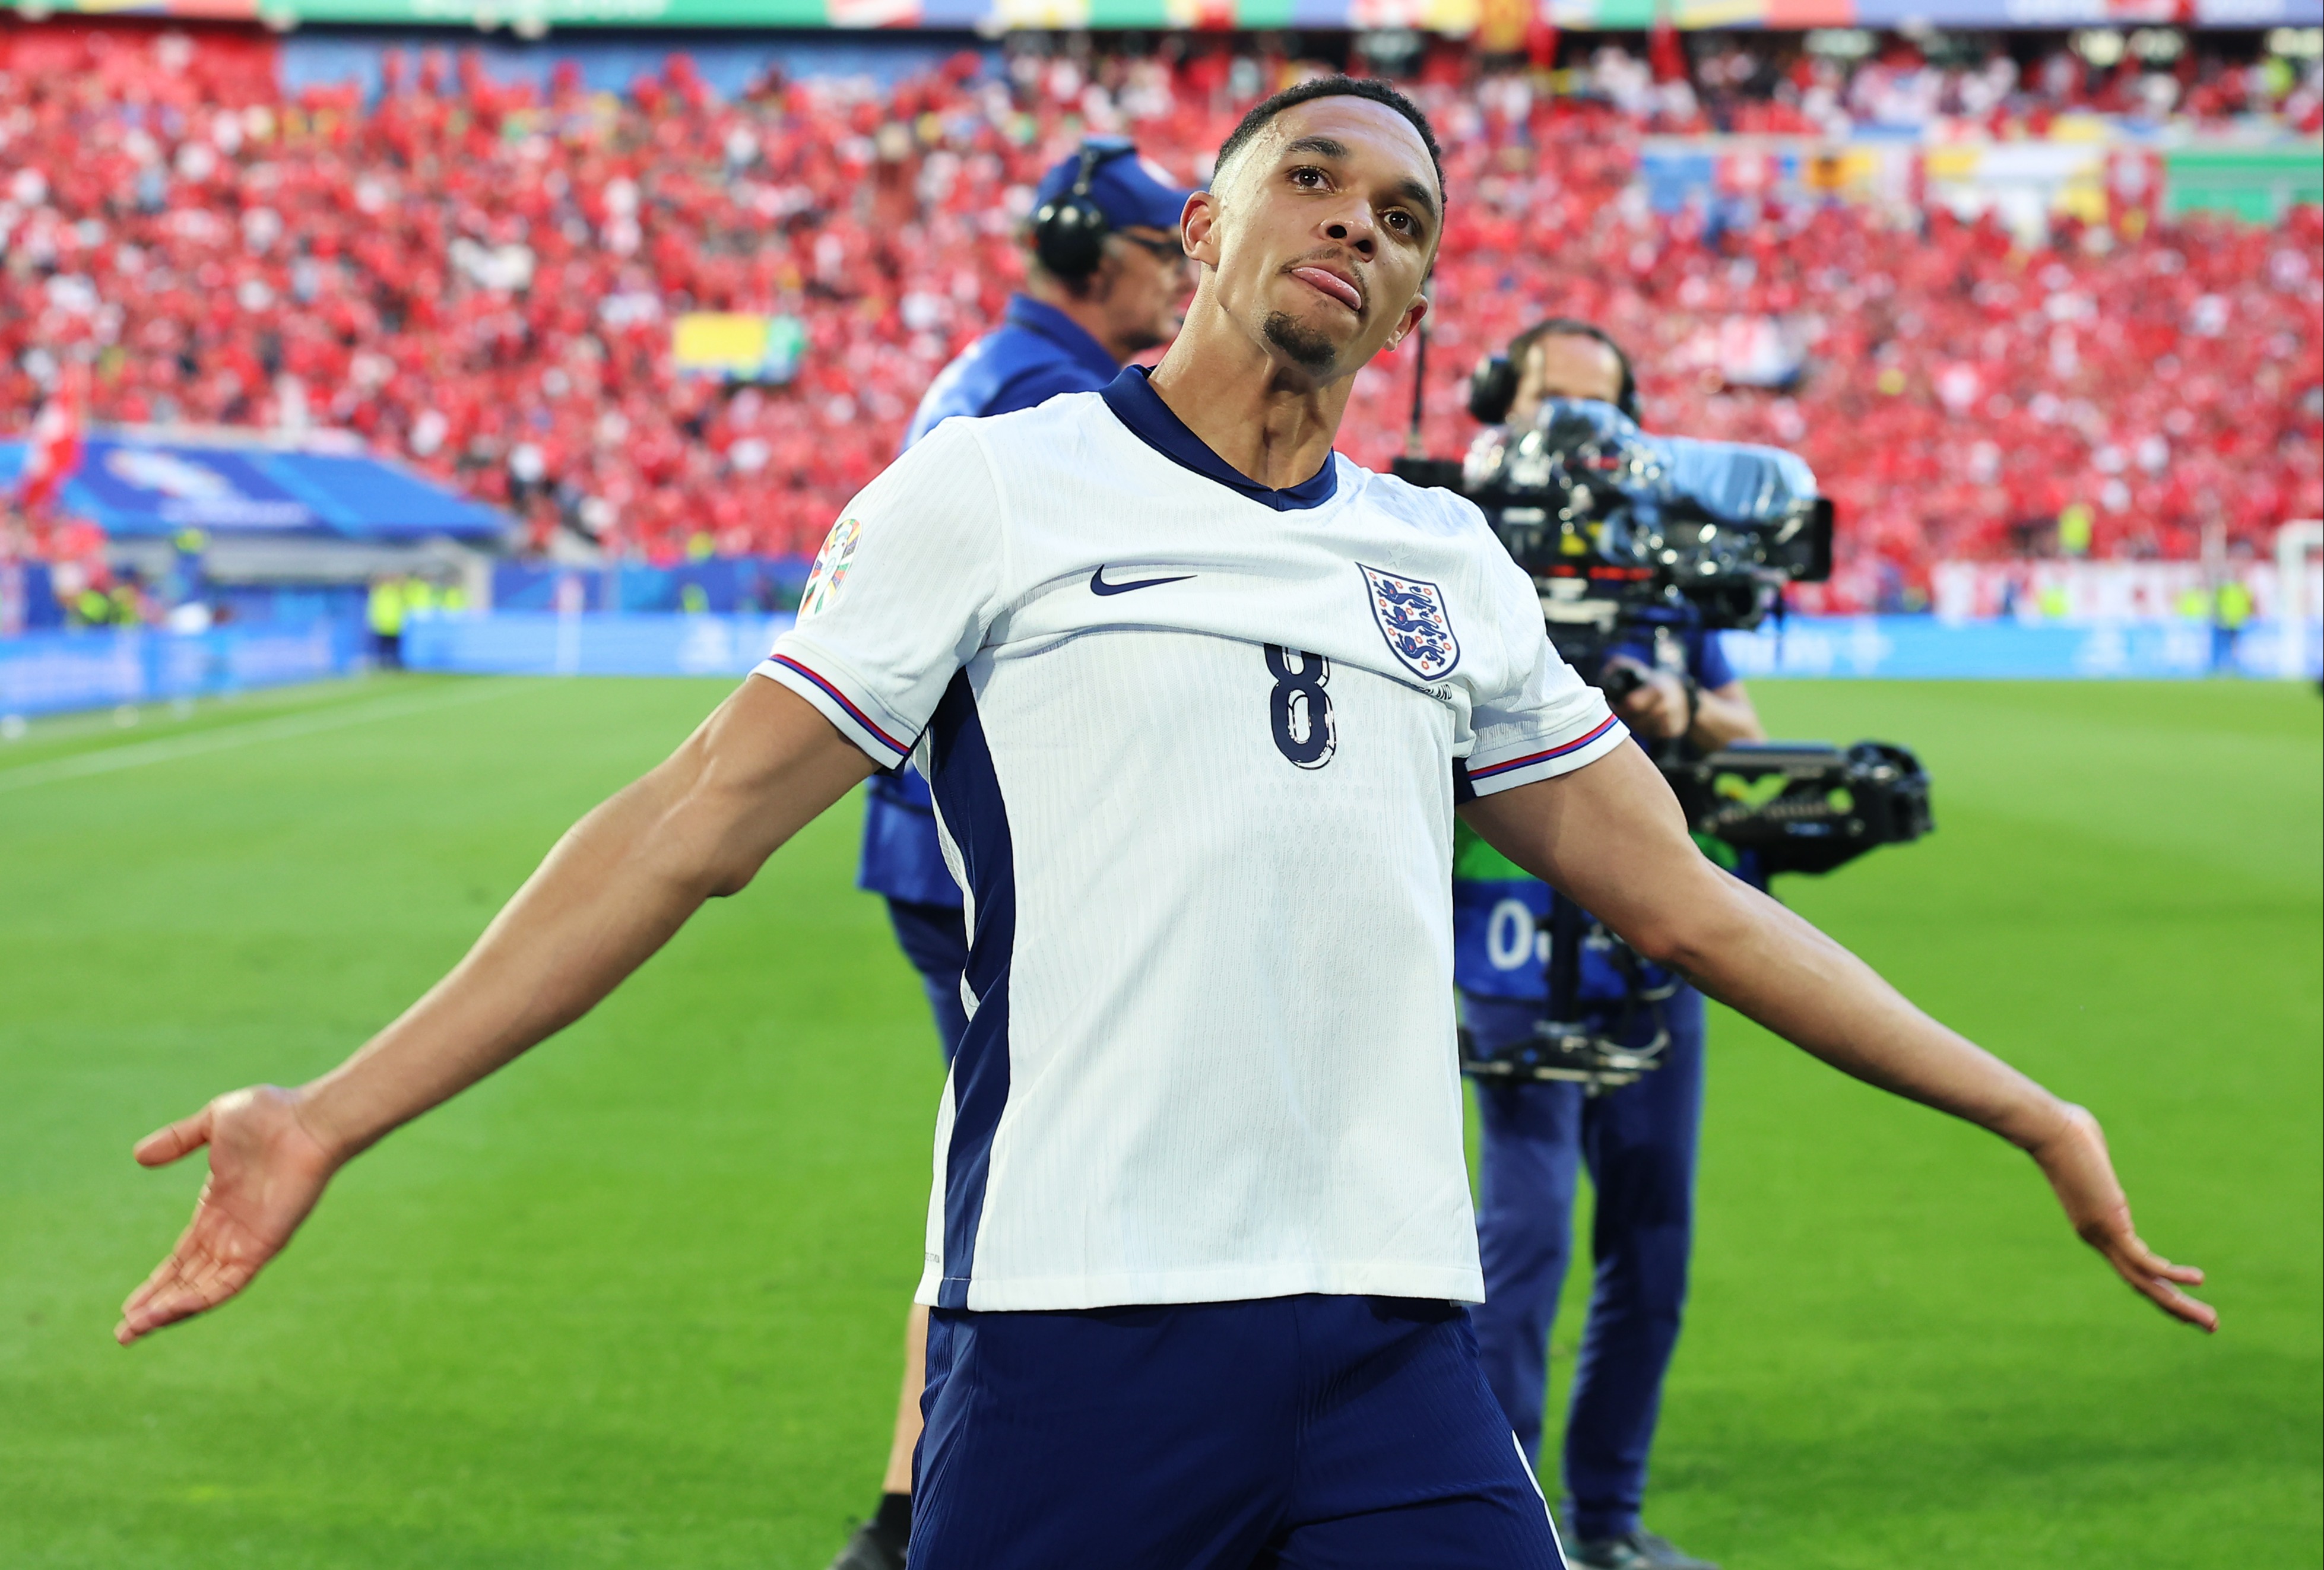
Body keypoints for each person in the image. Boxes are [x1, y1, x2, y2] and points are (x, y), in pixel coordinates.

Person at [117, 78, 2214, 1570]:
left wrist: (2026, 1106)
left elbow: (1681, 903)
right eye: (1312, 180)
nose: (1357, 229)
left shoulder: (1444, 561)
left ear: (1412, 314)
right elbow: (686, 823)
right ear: (1203, 231)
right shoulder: (997, 490)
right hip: (1078, 1329)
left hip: (1398, 1343)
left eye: (1403, 222)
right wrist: (330, 1108)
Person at [832, 137, 1196, 1570]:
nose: (1180, 280)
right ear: (1101, 262)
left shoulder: (995, 367)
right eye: (1164, 254)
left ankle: (912, 1502)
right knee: (1042, 1182)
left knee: (1001, 1162)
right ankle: (946, 1505)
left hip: (931, 843)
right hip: (994, 854)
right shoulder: (1056, 396)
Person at [1455, 321, 1767, 1570]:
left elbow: (1736, 715)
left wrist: (1673, 707)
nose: (1578, 435)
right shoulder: (1458, 545)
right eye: (1550, 404)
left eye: (1600, 409)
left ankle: (1609, 1522)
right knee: (1520, 1239)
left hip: (1645, 936)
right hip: (1504, 925)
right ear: (1497, 410)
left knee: (1651, 1236)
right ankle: (1499, 1520)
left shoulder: (1662, 560)